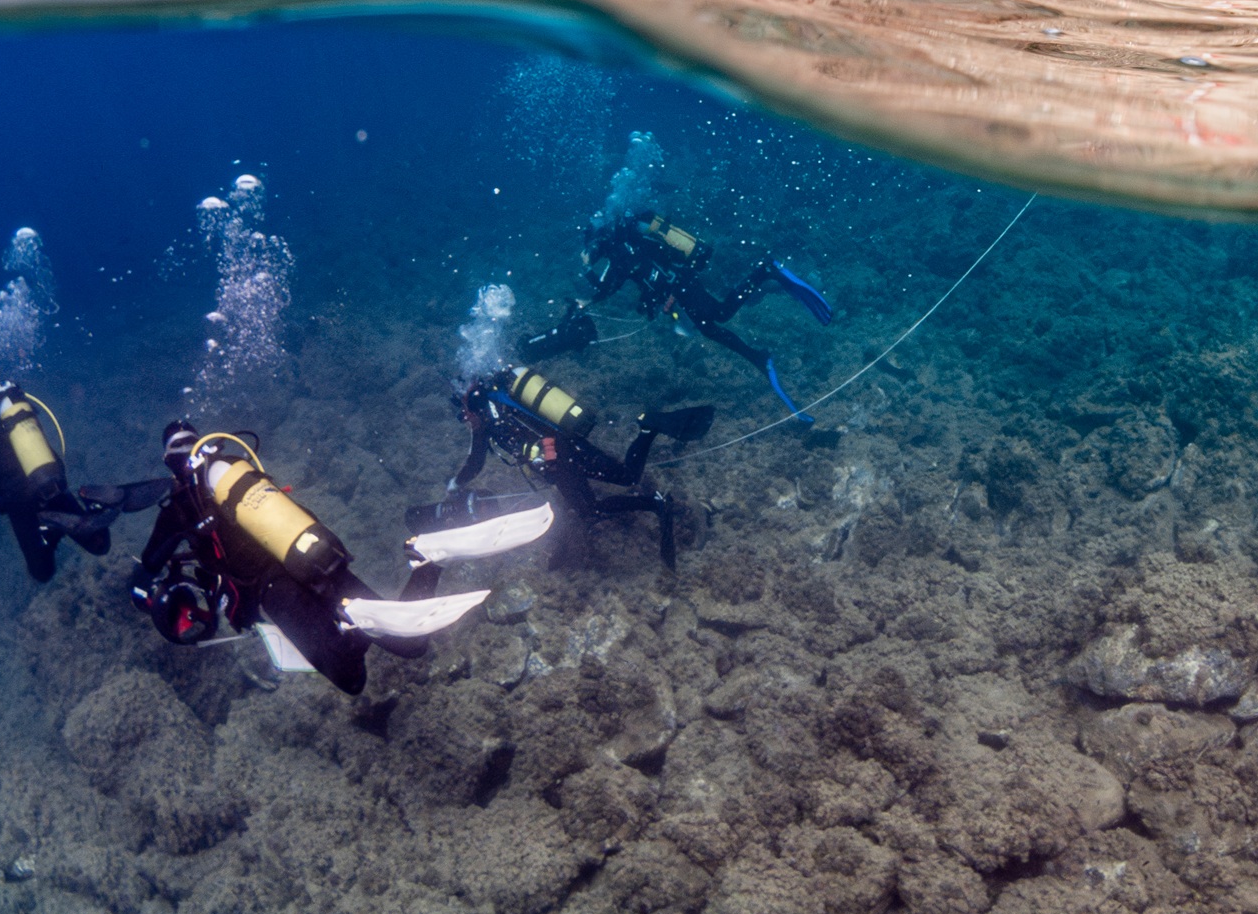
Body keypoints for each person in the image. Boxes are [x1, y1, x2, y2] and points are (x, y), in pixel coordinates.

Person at [130, 422, 486, 695]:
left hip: (275, 588)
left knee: (350, 677)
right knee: (410, 644)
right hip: (314, 555)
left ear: (168, 461)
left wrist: (145, 591)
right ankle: (429, 556)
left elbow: (148, 564)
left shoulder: (180, 507)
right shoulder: (234, 468)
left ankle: (350, 623)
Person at [532, 210, 832, 407]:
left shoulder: (620, 253)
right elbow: (647, 273)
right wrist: (656, 298)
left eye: (592, 249)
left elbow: (604, 288)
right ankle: (758, 356)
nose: (592, 253)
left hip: (682, 284)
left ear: (598, 242)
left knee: (719, 315)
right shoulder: (628, 247)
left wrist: (586, 270)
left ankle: (766, 271)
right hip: (681, 282)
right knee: (709, 326)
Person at [450, 363, 715, 569]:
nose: (466, 421)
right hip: (569, 440)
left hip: (560, 460)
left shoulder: (488, 420)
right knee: (627, 475)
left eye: (463, 415)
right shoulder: (504, 397)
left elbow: (475, 462)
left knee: (590, 509)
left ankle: (656, 503)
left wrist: (454, 485)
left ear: (468, 405)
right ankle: (648, 427)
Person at [0, 360, 165, 583]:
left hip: (16, 496)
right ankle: (94, 500)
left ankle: (51, 528)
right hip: (48, 478)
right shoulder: (13, 395)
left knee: (41, 572)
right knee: (99, 543)